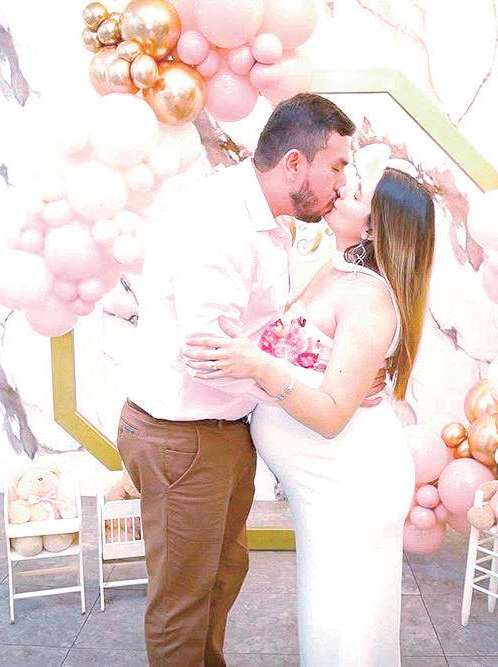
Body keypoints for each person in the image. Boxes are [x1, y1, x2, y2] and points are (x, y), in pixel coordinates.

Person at [118, 93, 364, 666]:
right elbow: (210, 356)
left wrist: (313, 370)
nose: (341, 184)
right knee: (184, 600)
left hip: (218, 429)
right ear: (295, 163)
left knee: (222, 575)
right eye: (337, 166)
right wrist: (302, 389)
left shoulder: (261, 219)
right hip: (183, 436)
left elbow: (255, 336)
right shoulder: (220, 225)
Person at [184, 152, 437, 664]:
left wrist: (257, 366)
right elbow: (295, 348)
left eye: (356, 192)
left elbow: (330, 416)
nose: (341, 188)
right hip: (324, 483)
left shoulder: (368, 299)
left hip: (351, 483)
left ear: (375, 227)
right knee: (328, 613)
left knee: (344, 622)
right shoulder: (338, 269)